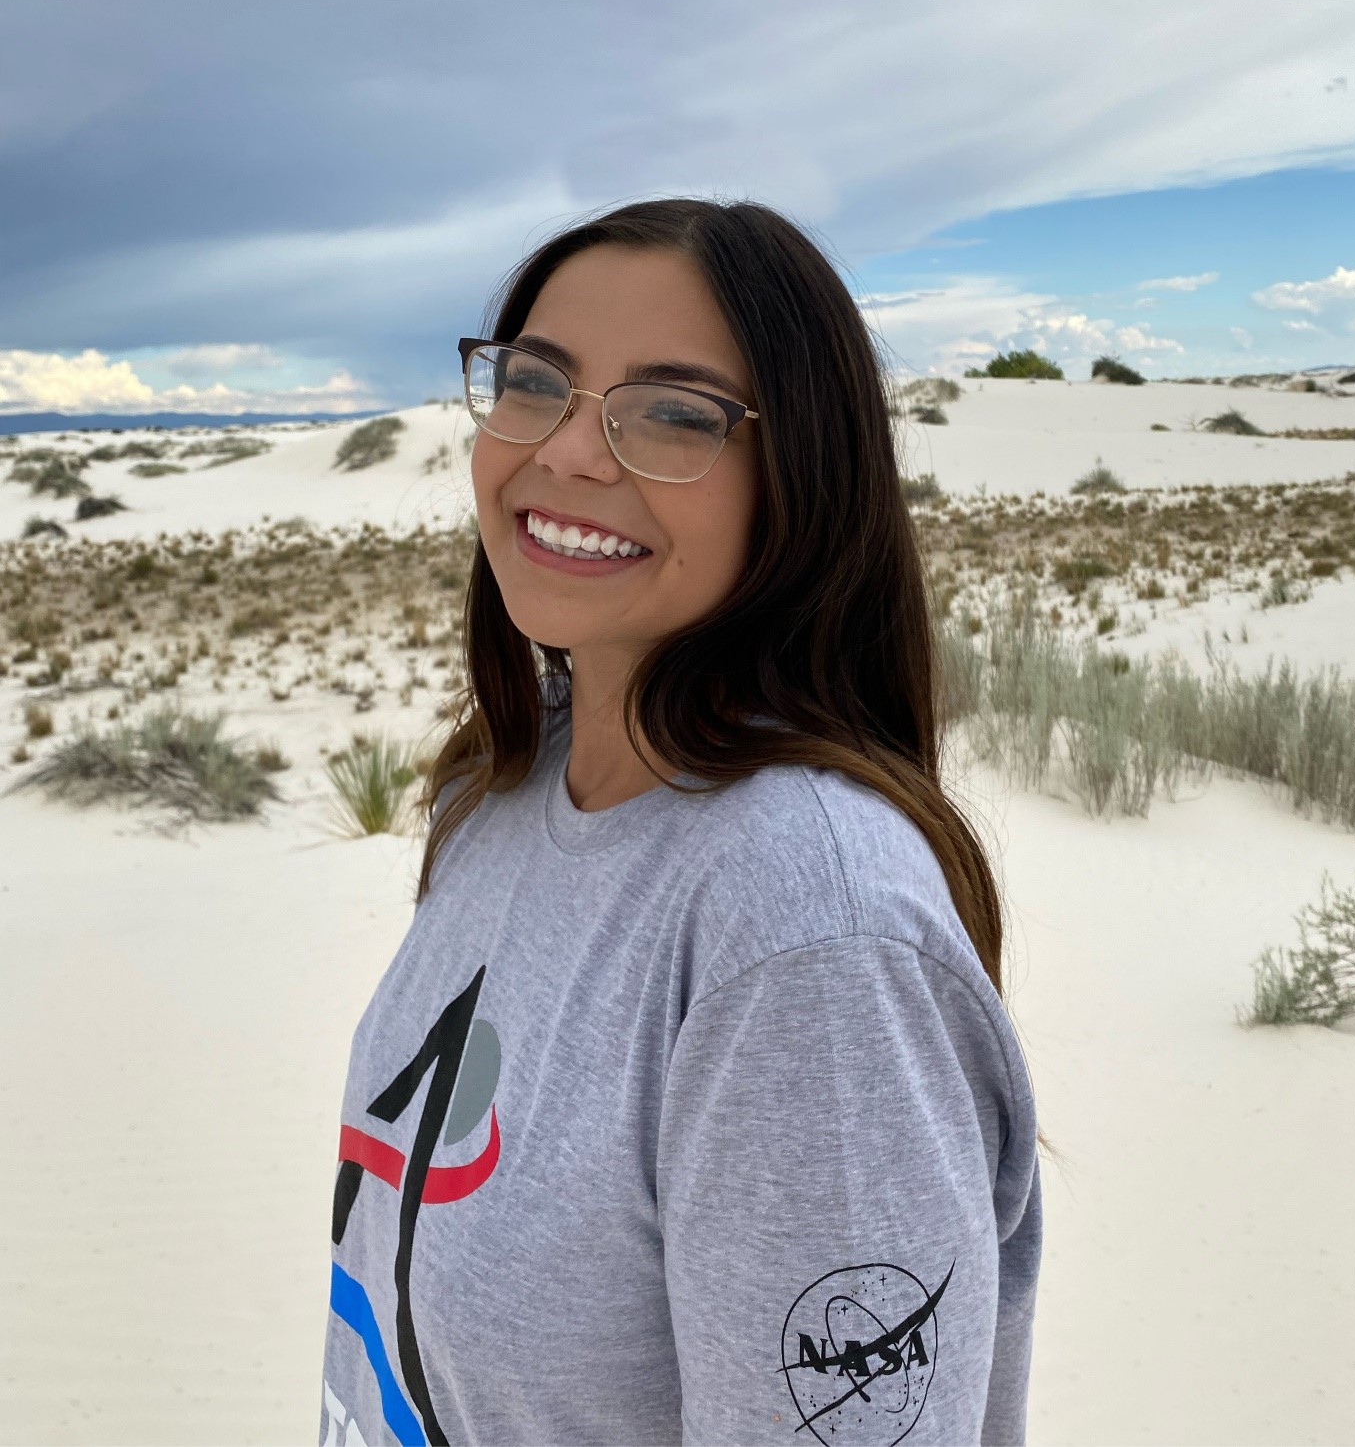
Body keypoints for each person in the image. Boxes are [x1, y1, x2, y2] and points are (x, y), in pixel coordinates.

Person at [318, 197, 1042, 1447]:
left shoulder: (811, 933)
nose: (570, 454)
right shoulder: (498, 789)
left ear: (800, 476)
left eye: (672, 414)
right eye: (536, 382)